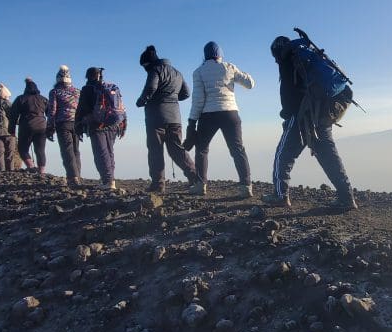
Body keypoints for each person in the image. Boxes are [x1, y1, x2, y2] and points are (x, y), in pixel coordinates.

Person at [262, 36, 357, 211]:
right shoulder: (307, 57)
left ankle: (280, 195)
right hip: (321, 114)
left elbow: (290, 97)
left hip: (301, 117)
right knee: (328, 156)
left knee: (283, 155)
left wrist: (288, 115)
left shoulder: (286, 60)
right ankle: (347, 198)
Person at [184, 41, 255, 197]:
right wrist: (245, 74)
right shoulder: (229, 67)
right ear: (220, 55)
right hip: (230, 113)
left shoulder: (199, 72)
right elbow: (250, 84)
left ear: (205, 55)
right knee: (237, 149)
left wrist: (192, 121)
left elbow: (198, 99)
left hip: (208, 114)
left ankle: (200, 185)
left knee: (202, 149)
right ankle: (246, 187)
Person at [136, 46, 202, 193]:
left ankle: (158, 185)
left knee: (155, 151)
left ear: (148, 63)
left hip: (156, 118)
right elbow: (186, 93)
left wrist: (141, 101)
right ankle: (196, 178)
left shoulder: (155, 70)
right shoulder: (177, 72)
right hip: (174, 118)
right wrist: (171, 98)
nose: (144, 69)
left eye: (144, 66)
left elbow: (150, 88)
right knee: (177, 150)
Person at [76, 67, 126, 190]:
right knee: (109, 152)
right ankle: (110, 180)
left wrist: (78, 126)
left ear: (88, 76)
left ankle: (108, 181)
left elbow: (82, 108)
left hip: (96, 125)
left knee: (100, 153)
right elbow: (121, 107)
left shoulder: (87, 89)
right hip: (114, 124)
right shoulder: (111, 87)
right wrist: (123, 124)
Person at [47, 65, 82, 186]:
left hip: (63, 123)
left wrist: (50, 127)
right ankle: (78, 175)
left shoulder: (55, 92)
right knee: (76, 150)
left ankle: (73, 178)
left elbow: (52, 111)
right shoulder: (77, 91)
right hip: (77, 123)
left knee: (67, 151)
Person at [10, 78, 49, 174]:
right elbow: (50, 113)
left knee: (22, 149)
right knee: (40, 150)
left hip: (26, 126)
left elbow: (13, 115)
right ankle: (41, 171)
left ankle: (31, 167)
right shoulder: (43, 99)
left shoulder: (20, 99)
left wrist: (12, 129)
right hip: (42, 126)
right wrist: (52, 127)